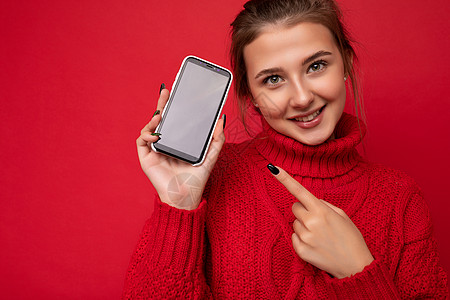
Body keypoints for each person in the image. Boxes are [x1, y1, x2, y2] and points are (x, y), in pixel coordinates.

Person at [123, 0, 449, 298]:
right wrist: (178, 209)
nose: (302, 97)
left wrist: (358, 270)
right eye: (273, 79)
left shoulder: (399, 198)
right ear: (249, 94)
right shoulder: (211, 180)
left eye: (316, 66)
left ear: (347, 63)